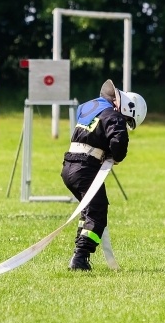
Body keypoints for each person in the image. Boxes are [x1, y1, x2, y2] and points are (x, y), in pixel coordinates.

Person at [61, 79, 147, 270]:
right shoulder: (114, 117)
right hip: (85, 168)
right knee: (98, 212)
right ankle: (80, 258)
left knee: (89, 211)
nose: (125, 124)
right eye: (128, 120)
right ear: (128, 109)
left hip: (69, 166)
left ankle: (79, 255)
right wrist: (116, 156)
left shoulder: (93, 107)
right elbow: (119, 141)